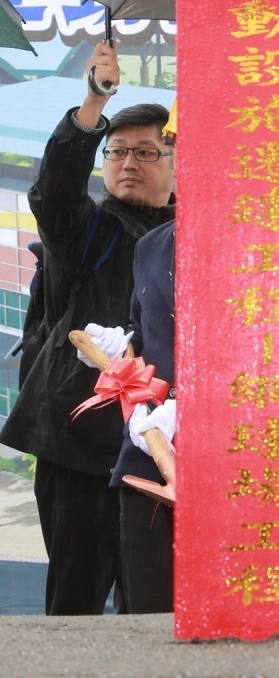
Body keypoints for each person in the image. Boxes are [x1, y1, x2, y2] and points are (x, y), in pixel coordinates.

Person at [0, 42, 176, 614]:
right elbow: (52, 193)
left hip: (161, 451)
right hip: (80, 447)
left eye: (146, 153)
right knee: (74, 604)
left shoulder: (194, 237)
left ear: (176, 163)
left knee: (152, 607)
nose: (128, 163)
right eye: (117, 152)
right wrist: (94, 101)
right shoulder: (89, 231)